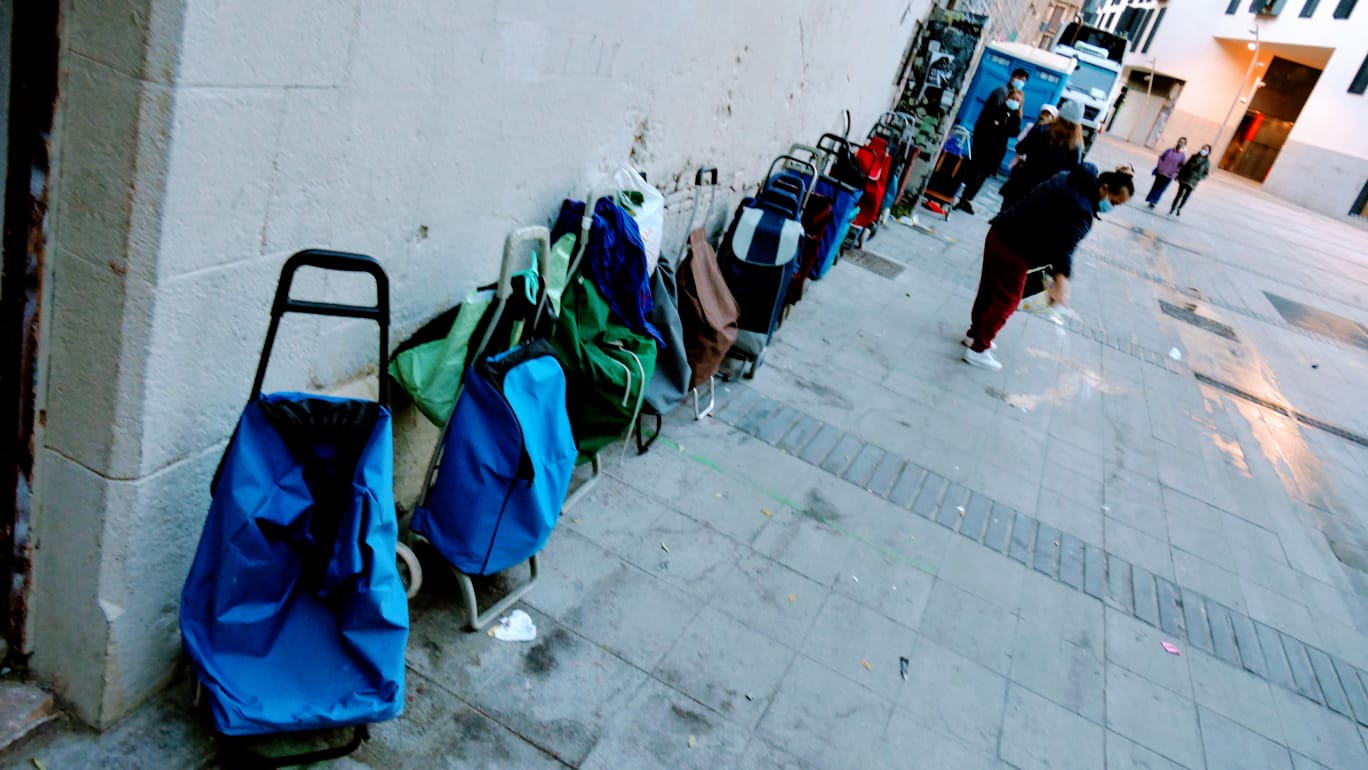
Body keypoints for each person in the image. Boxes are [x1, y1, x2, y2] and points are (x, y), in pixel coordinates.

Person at [962, 164, 1135, 370]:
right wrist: (1061, 285)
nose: (1111, 207)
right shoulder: (1081, 209)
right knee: (1007, 300)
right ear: (1104, 188)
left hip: (1001, 232)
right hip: (1015, 249)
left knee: (989, 290)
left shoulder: (1069, 177)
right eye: (1113, 202)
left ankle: (975, 334)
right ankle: (978, 349)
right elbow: (1064, 249)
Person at [953, 69, 1029, 214]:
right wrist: (1000, 126)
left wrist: (1002, 126)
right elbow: (992, 120)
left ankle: (968, 198)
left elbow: (1013, 130)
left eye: (1024, 81)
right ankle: (963, 196)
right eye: (1020, 78)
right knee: (974, 170)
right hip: (985, 141)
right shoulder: (1001, 93)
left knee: (983, 173)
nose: (1021, 82)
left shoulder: (1015, 114)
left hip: (997, 148)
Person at [997, 100, 1086, 211]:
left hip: (1024, 181)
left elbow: (1020, 148)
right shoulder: (1075, 145)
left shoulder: (1042, 129)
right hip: (1047, 192)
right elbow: (1074, 172)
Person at [1009, 104, 1057, 169]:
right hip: (1021, 161)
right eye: (1043, 113)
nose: (1044, 117)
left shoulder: (1052, 135)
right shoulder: (1030, 127)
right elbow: (1020, 143)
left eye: (1047, 115)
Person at [1169, 144, 1211, 216]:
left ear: (1208, 152)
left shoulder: (1207, 162)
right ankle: (1172, 208)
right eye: (1203, 148)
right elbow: (1185, 166)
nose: (1204, 150)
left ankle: (1179, 208)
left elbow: (1206, 173)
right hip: (1185, 177)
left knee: (1186, 196)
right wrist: (1178, 175)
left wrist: (1199, 177)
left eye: (1206, 150)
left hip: (1193, 181)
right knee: (1179, 194)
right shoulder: (1194, 156)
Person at [1145, 137, 1187, 209]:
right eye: (1180, 141)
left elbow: (1181, 166)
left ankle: (1154, 201)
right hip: (1161, 172)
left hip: (1170, 175)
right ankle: (1150, 199)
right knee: (1155, 186)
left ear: (1185, 145)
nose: (1181, 143)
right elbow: (1161, 158)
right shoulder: (1169, 150)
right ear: (1177, 142)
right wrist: (1160, 166)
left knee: (1161, 188)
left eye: (1183, 143)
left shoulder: (1182, 155)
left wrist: (1175, 172)